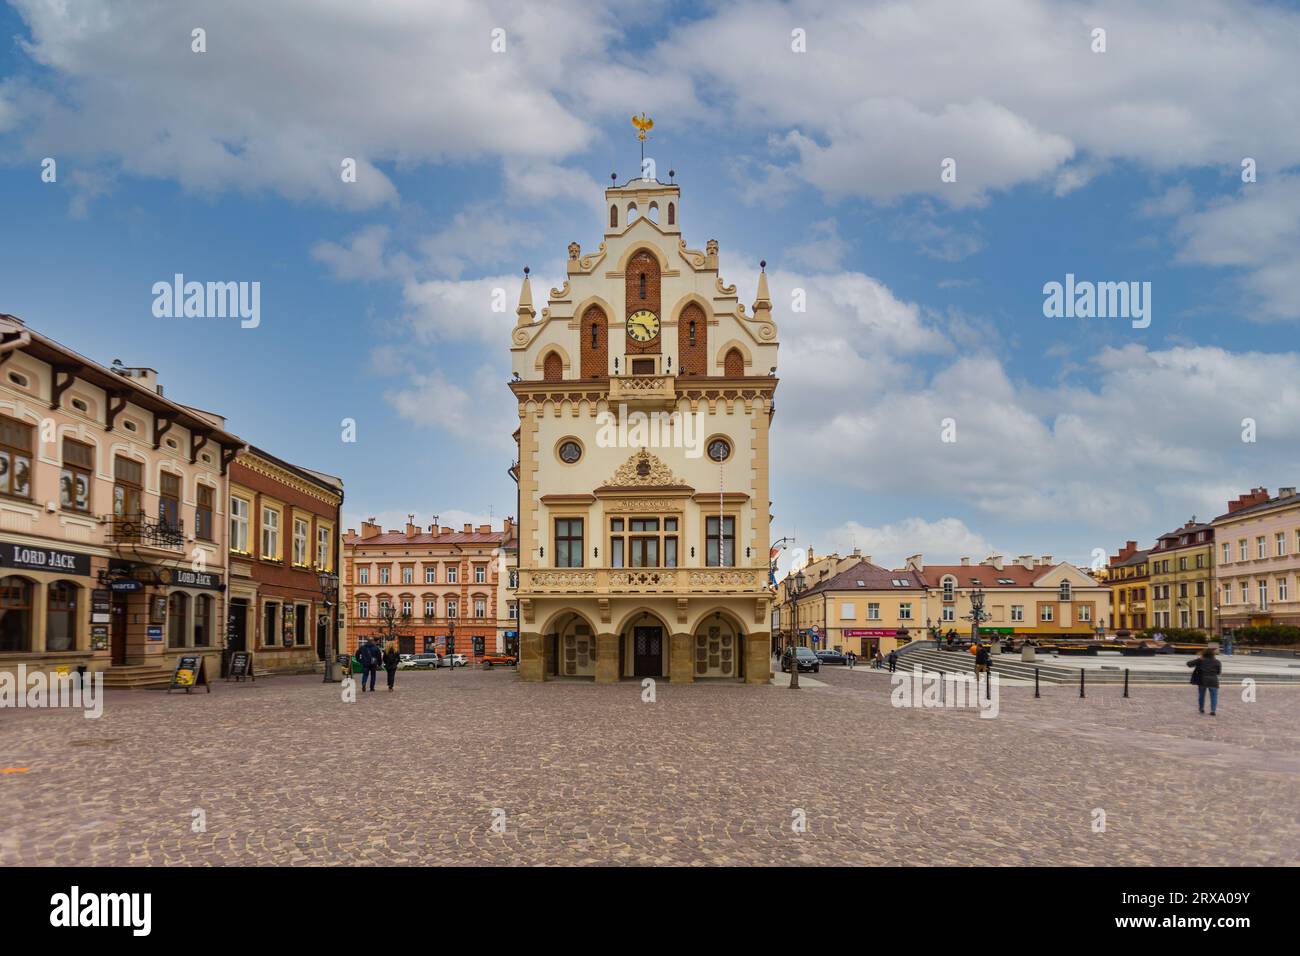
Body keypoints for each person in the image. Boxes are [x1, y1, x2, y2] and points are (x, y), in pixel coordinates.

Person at [1187, 646, 1221, 715]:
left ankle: (1201, 709)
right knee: (1214, 696)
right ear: (1213, 654)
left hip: (1202, 680)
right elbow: (1218, 672)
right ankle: (1213, 710)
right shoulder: (1217, 662)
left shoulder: (1201, 660)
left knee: (1201, 695)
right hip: (1213, 680)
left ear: (1204, 654)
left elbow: (1189, 664)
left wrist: (1199, 658)